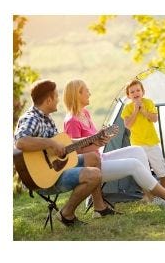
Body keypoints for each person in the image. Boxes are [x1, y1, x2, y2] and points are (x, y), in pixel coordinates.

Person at [63, 79, 165, 206]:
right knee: (134, 163)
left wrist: (101, 139)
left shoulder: (85, 113)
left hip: (100, 157)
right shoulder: (71, 121)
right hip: (90, 166)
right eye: (86, 91)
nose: (89, 93)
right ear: (77, 94)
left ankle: (152, 197)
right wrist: (97, 144)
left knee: (138, 150)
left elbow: (90, 141)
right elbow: (74, 152)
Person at [14, 79, 114, 227]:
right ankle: (66, 213)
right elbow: (21, 142)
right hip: (42, 179)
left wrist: (94, 141)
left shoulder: (47, 119)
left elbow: (65, 147)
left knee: (92, 157)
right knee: (94, 175)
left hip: (55, 169)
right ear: (48, 100)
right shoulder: (31, 118)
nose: (58, 100)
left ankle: (100, 208)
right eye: (56, 96)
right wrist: (50, 143)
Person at [121, 79, 165, 189]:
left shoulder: (148, 103)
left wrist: (143, 111)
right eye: (132, 92)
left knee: (161, 169)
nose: (135, 93)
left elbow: (154, 119)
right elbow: (128, 125)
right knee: (143, 171)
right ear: (128, 96)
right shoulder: (127, 108)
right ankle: (148, 196)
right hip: (137, 144)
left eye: (138, 90)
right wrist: (135, 111)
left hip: (151, 141)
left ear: (143, 92)